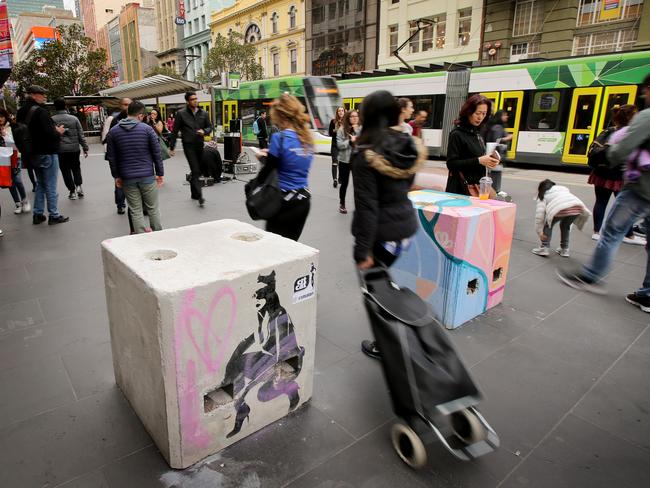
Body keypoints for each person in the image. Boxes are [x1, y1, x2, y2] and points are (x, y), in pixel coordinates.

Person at [557, 73, 650, 312]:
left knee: (612, 232)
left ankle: (590, 275)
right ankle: (648, 293)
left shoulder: (647, 117)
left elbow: (622, 150)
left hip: (642, 189)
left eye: (646, 90)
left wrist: (604, 155)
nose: (643, 95)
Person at [351, 90, 426, 360]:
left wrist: (362, 250)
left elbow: (368, 207)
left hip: (382, 235)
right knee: (383, 283)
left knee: (375, 291)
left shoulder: (365, 154)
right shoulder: (406, 144)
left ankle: (388, 344)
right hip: (405, 228)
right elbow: (406, 185)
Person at [253, 94, 314, 241]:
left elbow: (269, 170)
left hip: (282, 202)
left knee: (275, 248)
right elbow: (293, 162)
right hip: (303, 201)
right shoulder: (307, 138)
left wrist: (261, 157)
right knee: (291, 246)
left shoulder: (279, 138)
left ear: (280, 114)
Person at [587, 104, 645, 245]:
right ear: (631, 117)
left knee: (600, 202)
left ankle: (596, 232)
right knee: (625, 205)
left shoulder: (608, 131)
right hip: (619, 176)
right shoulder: (630, 134)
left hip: (601, 173)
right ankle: (628, 235)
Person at [106, 101, 164, 234]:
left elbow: (112, 157)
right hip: (147, 176)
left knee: (135, 210)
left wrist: (116, 176)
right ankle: (159, 236)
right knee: (153, 208)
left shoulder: (114, 132)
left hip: (127, 177)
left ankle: (140, 238)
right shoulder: (147, 129)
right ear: (140, 115)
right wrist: (160, 173)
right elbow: (157, 153)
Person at [16, 85, 68, 225]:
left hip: (32, 153)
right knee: (50, 185)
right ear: (33, 95)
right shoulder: (41, 112)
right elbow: (50, 134)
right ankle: (54, 215)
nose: (44, 96)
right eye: (42, 94)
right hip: (47, 152)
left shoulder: (21, 111)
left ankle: (38, 214)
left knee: (41, 184)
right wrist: (58, 131)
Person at [446, 94, 500, 195]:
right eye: (477, 113)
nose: (480, 117)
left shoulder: (478, 133)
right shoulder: (457, 134)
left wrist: (488, 161)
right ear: (468, 112)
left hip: (478, 187)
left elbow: (476, 159)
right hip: (461, 190)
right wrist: (479, 160)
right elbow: (451, 164)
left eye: (484, 114)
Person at [170, 92, 212, 207]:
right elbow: (174, 131)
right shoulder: (181, 114)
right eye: (192, 99)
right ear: (187, 101)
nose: (195, 100)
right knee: (195, 169)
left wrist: (205, 131)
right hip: (188, 146)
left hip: (199, 144)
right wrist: (172, 147)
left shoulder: (203, 113)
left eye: (196, 98)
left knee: (198, 170)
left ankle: (194, 193)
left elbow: (210, 126)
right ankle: (200, 195)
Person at [532, 179, 590, 258]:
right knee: (565, 226)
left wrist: (540, 232)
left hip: (559, 209)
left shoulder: (543, 194)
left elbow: (539, 216)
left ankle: (544, 248)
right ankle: (564, 249)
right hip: (577, 207)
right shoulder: (563, 190)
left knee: (549, 225)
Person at [52, 98, 89, 200]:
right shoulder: (74, 119)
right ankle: (79, 187)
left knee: (65, 170)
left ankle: (72, 191)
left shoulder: (52, 120)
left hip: (60, 150)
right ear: (65, 106)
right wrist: (85, 147)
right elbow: (80, 134)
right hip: (74, 148)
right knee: (76, 167)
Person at [103, 97, 131, 214]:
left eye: (130, 104)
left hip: (132, 155)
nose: (128, 107)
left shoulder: (137, 118)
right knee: (119, 180)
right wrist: (109, 155)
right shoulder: (113, 119)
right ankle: (120, 204)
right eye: (125, 104)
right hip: (118, 156)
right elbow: (105, 138)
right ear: (120, 106)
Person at [0, 109, 30, 215]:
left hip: (15, 156)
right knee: (9, 182)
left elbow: (15, 142)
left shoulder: (12, 126)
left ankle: (24, 200)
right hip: (3, 158)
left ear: (5, 116)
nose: (0, 119)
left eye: (2, 116)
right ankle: (17, 203)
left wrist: (4, 135)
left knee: (17, 180)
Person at [336, 109, 361, 214]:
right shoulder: (342, 130)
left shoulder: (361, 129)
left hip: (357, 161)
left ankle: (358, 206)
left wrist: (357, 132)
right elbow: (339, 145)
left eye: (356, 116)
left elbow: (365, 142)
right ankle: (342, 204)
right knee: (344, 184)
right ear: (348, 118)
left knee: (358, 185)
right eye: (352, 116)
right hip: (344, 161)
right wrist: (350, 141)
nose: (355, 118)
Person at [484, 110, 513, 194]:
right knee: (496, 173)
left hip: (495, 154)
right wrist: (508, 138)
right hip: (497, 155)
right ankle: (494, 191)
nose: (506, 117)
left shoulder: (495, 126)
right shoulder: (498, 127)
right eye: (504, 115)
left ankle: (493, 190)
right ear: (500, 116)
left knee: (494, 173)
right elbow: (497, 140)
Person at [328, 106, 345, 188]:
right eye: (339, 111)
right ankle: (335, 179)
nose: (341, 112)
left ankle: (340, 177)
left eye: (342, 111)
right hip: (334, 145)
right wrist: (336, 130)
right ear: (337, 113)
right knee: (335, 163)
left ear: (344, 112)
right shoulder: (333, 121)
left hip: (343, 146)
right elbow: (330, 133)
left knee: (342, 163)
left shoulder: (346, 122)